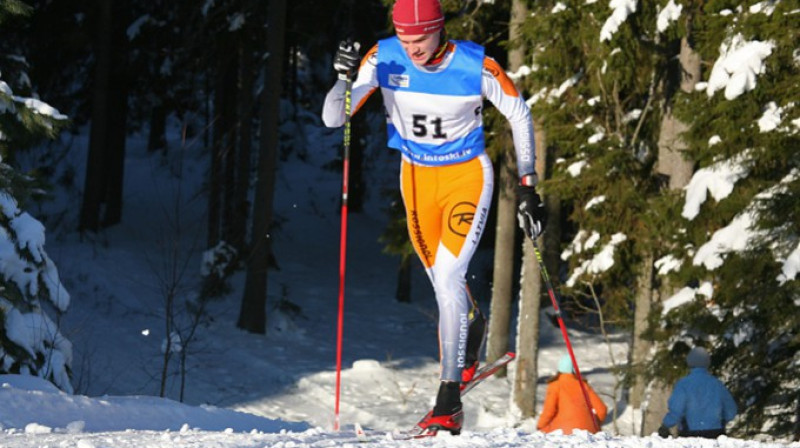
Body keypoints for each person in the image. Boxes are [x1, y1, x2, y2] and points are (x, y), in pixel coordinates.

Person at [322, 0, 547, 436]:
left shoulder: (474, 64)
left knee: (447, 278)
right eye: (405, 39)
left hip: (467, 176)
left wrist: (527, 183)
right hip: (416, 180)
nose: (412, 49)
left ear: (439, 29)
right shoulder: (383, 56)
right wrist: (342, 78)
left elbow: (519, 112)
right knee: (443, 283)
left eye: (420, 39)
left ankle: (448, 401)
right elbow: (335, 117)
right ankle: (472, 321)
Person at [658, 347, 738, 439]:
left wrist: (666, 425)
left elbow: (676, 410)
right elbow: (731, 410)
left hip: (689, 434)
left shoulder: (683, 384)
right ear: (707, 362)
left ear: (689, 362)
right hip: (715, 434)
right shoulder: (717, 384)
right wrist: (721, 421)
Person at [537, 354, 608, 435]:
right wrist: (595, 424)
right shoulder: (583, 385)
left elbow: (549, 411)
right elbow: (602, 409)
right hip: (588, 431)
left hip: (563, 430)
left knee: (543, 432)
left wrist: (540, 426)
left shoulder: (555, 385)